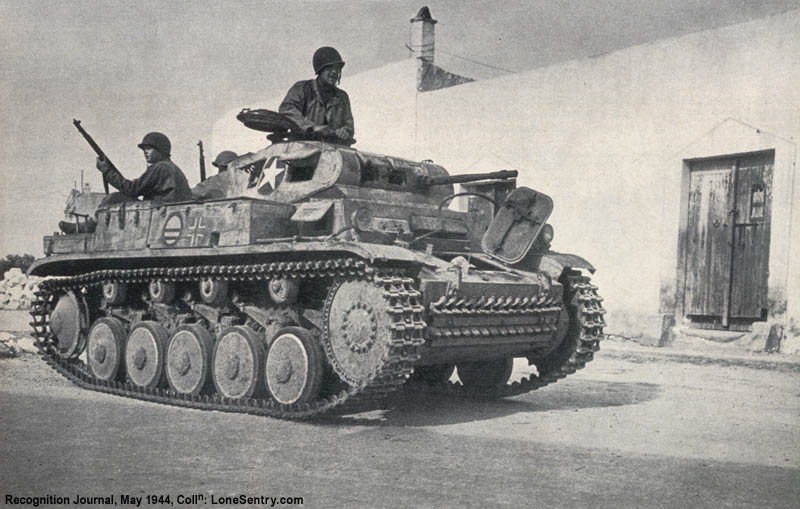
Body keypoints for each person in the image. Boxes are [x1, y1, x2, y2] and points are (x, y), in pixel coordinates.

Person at [279, 46, 355, 143]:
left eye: (337, 68)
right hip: (302, 146)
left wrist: (344, 131)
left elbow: (349, 126)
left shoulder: (342, 97)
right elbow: (287, 109)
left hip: (332, 149)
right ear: (320, 69)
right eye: (329, 67)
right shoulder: (302, 88)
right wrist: (311, 127)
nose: (335, 72)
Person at [96, 132, 193, 204]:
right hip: (166, 211)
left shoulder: (160, 167)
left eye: (149, 148)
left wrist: (106, 171)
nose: (145, 152)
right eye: (144, 149)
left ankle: (92, 224)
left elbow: (132, 190)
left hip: (160, 212)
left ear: (160, 150)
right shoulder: (170, 167)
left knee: (113, 198)